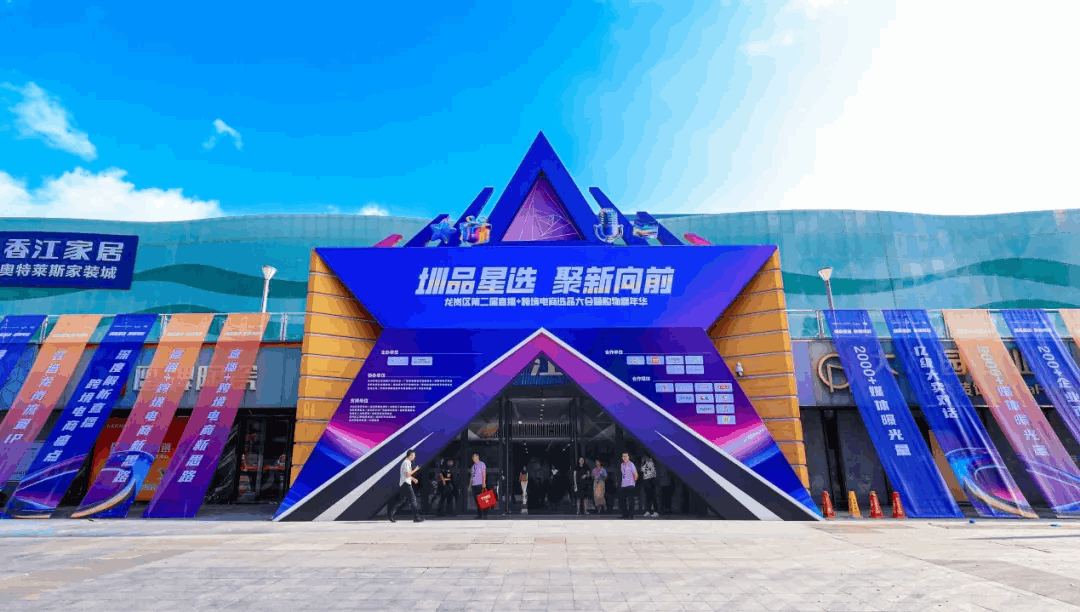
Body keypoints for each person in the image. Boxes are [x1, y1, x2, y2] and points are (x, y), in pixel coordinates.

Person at [389, 449, 423, 523]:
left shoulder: (407, 462)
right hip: (406, 484)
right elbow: (408, 474)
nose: (414, 457)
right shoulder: (406, 463)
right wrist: (415, 469)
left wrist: (413, 479)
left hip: (404, 483)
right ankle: (416, 517)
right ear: (410, 455)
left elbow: (406, 475)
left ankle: (390, 514)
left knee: (401, 500)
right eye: (413, 455)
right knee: (413, 499)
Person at [619, 452, 638, 519]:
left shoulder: (631, 464)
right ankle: (625, 514)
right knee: (622, 500)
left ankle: (631, 515)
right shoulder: (622, 465)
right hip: (623, 484)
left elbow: (635, 474)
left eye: (626, 456)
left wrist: (634, 482)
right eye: (623, 456)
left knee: (631, 500)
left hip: (630, 484)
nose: (624, 458)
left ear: (629, 457)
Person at [470, 452, 488, 519]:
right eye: (472, 457)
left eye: (474, 457)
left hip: (480, 484)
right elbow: (472, 476)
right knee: (476, 500)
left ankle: (485, 514)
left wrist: (484, 482)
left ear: (477, 457)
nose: (473, 458)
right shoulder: (473, 466)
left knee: (482, 500)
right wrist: (470, 485)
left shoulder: (481, 464)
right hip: (474, 484)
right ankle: (479, 514)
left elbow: (484, 473)